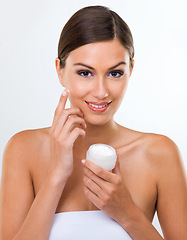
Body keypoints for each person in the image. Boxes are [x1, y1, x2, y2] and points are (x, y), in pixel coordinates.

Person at [0, 5, 187, 240]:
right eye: (85, 73)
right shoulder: (23, 149)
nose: (100, 91)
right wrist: (56, 175)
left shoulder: (160, 154)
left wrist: (128, 213)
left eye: (115, 73)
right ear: (60, 70)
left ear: (131, 69)